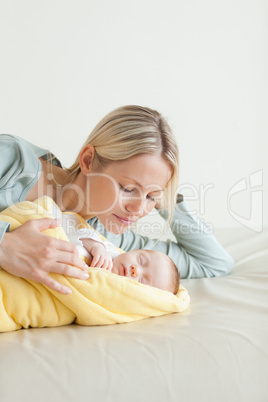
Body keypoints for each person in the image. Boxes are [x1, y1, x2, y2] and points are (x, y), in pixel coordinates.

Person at [0, 105, 234, 295]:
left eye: (152, 197)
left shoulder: (106, 240)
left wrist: (164, 196)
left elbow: (214, 263)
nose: (138, 210)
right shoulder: (12, 161)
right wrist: (6, 245)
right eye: (128, 188)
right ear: (89, 161)